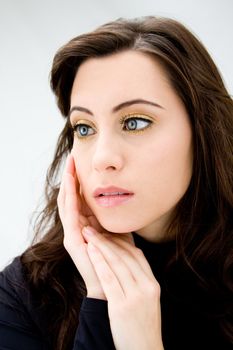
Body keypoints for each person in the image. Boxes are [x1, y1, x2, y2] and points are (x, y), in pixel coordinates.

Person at [0, 16, 232, 350]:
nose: (101, 157)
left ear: (203, 132)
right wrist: (102, 305)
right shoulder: (25, 295)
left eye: (135, 122)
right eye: (84, 128)